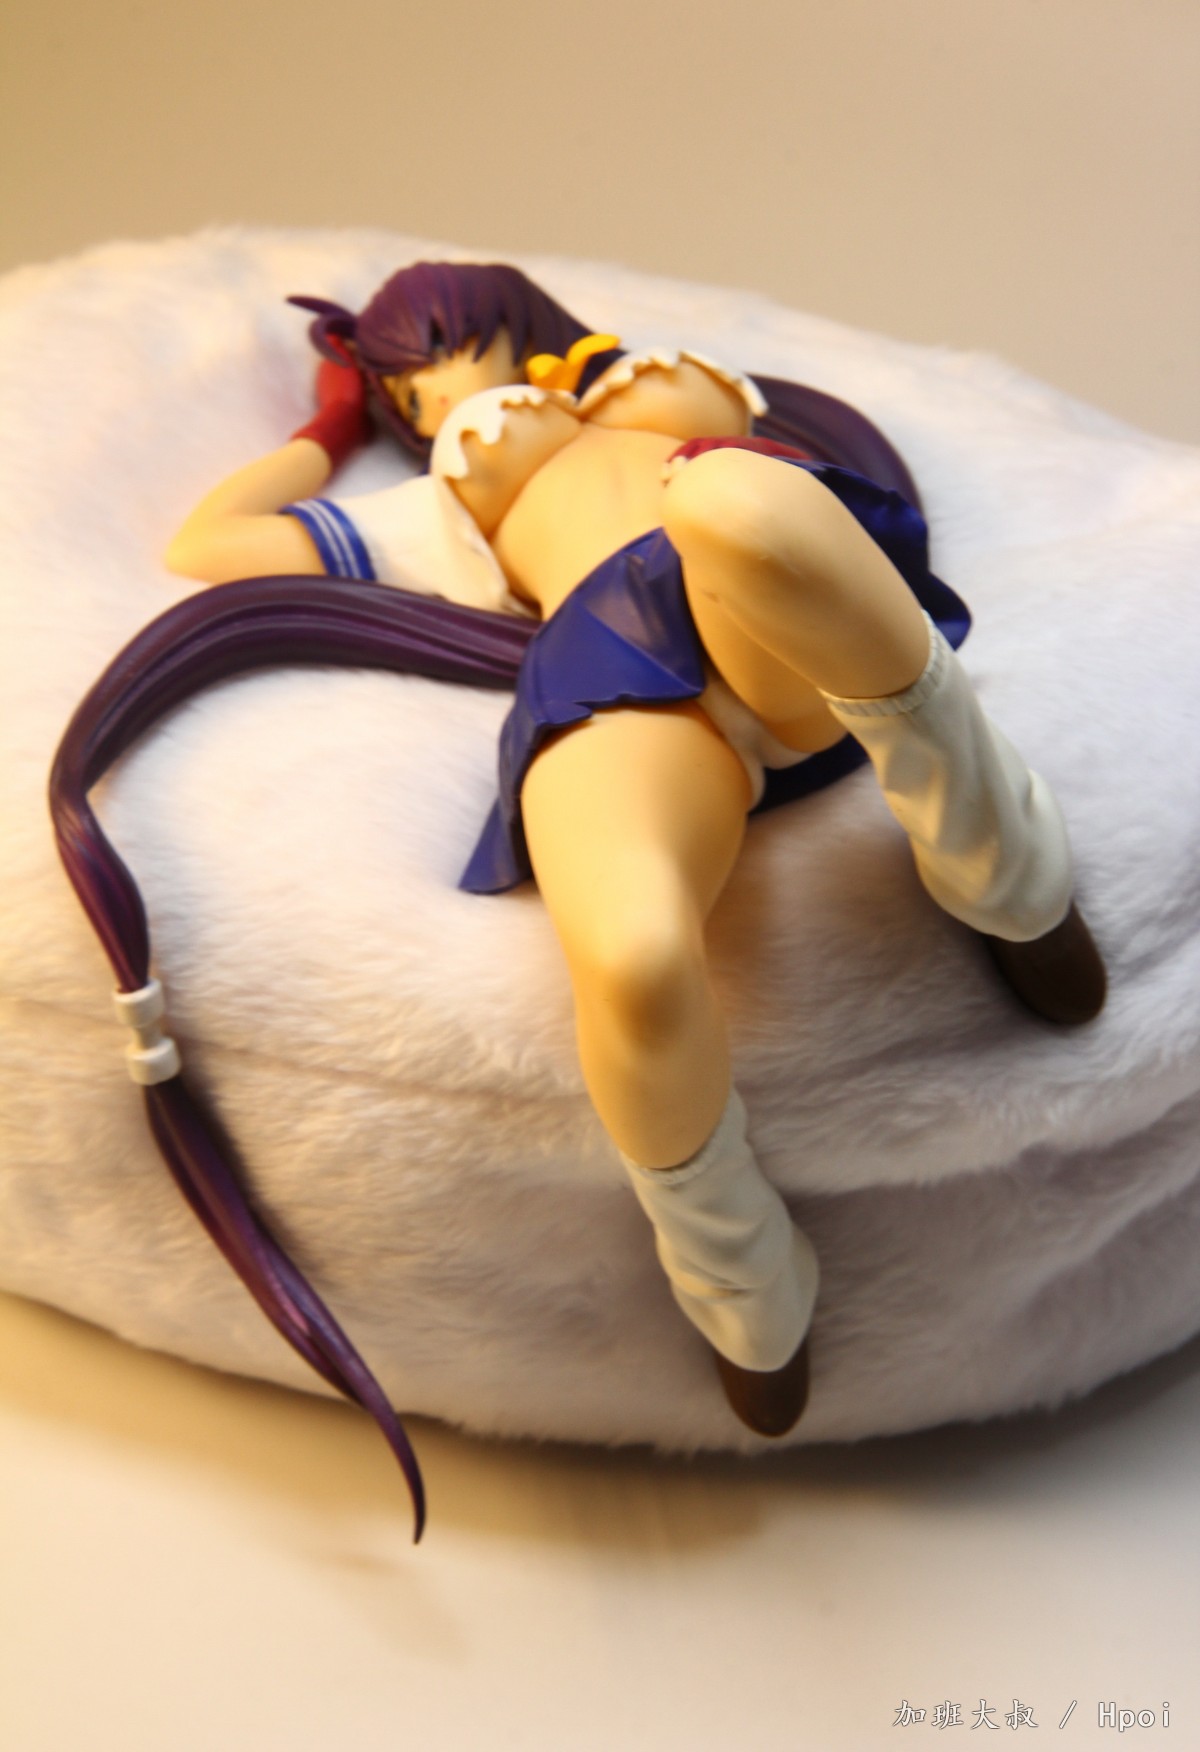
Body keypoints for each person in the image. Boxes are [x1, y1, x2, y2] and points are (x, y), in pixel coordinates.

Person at [54, 261, 1105, 1537]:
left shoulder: (665, 396)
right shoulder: (433, 509)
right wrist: (327, 427)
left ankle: (997, 859)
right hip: (605, 663)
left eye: (429, 357)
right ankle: (740, 1279)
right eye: (400, 389)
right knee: (632, 954)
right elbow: (207, 546)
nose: (423, 394)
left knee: (731, 501)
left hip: (767, 587)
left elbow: (777, 475)